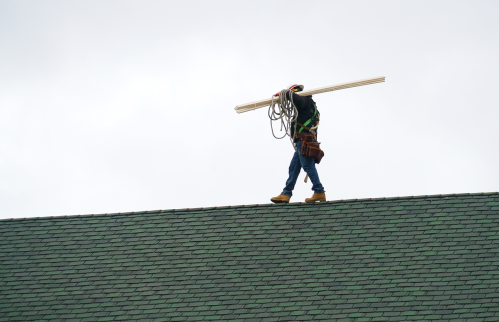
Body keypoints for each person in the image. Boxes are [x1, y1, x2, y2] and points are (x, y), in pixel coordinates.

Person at [271, 84, 326, 204]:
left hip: (304, 140)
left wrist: (285, 93)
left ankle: (319, 191)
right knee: (294, 167)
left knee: (307, 165)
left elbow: (297, 100)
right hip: (303, 141)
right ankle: (286, 193)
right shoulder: (310, 104)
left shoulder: (305, 100)